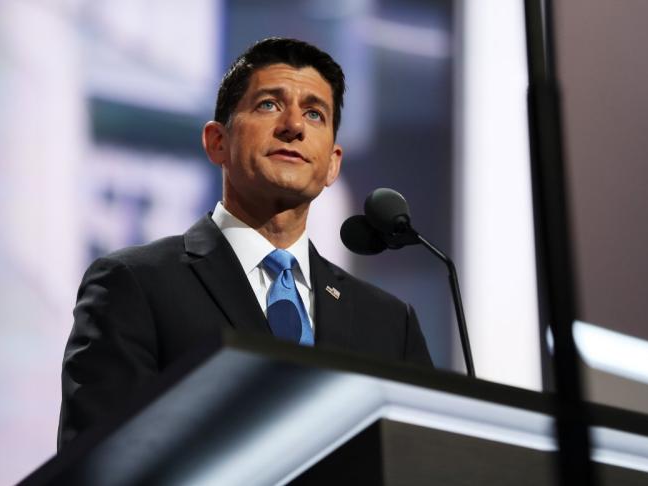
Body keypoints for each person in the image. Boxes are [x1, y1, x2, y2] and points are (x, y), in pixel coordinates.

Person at [58, 37, 432, 450]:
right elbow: (101, 463)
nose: (294, 126)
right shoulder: (133, 285)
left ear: (332, 163)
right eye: (269, 105)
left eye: (314, 113)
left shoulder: (389, 324)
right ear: (217, 141)